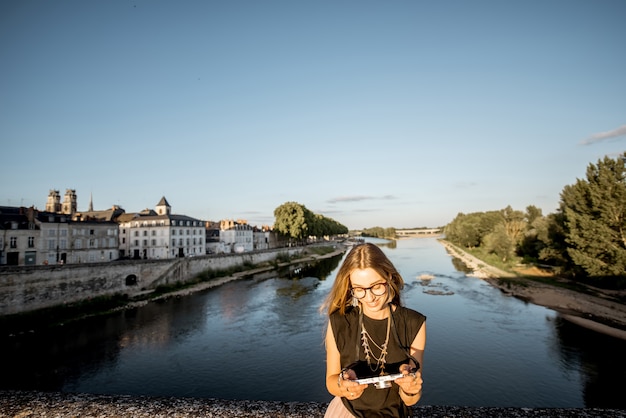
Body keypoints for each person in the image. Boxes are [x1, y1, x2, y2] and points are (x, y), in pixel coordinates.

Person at [321, 243, 426, 418]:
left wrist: (410, 389)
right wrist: (344, 386)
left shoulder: (414, 323)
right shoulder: (339, 322)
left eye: (376, 286)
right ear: (350, 287)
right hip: (347, 412)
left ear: (389, 277)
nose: (369, 298)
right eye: (359, 290)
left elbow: (410, 400)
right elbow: (331, 382)